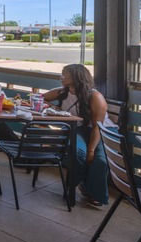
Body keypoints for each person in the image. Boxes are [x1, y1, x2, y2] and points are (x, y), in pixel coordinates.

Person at [43, 64, 116, 206]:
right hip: (79, 129)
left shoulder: (95, 96)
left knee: (100, 160)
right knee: (78, 154)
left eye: (64, 75)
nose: (61, 77)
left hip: (102, 131)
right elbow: (39, 98)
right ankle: (73, 187)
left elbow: (97, 126)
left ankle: (92, 192)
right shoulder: (62, 92)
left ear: (76, 78)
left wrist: (91, 150)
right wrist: (54, 107)